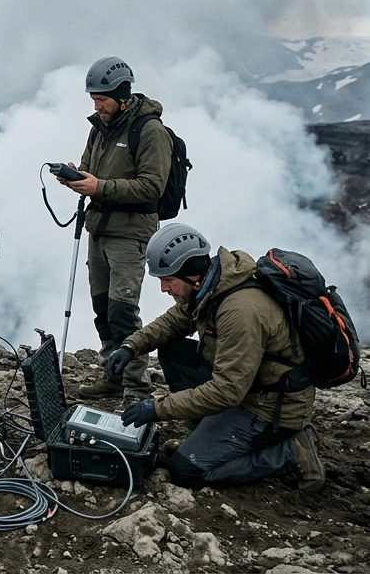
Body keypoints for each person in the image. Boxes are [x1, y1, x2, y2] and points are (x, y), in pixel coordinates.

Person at [103, 223, 323, 492]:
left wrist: (156, 409)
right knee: (174, 350)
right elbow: (173, 322)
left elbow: (227, 391)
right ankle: (209, 437)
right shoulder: (212, 286)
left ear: (191, 275)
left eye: (168, 280)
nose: (163, 288)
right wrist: (130, 346)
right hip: (252, 389)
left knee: (186, 471)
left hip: (271, 405)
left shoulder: (240, 311)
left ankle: (290, 451)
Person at [58, 57, 173, 408]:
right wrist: (77, 176)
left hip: (131, 232)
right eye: (93, 99)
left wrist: (99, 187)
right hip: (100, 227)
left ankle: (136, 388)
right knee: (102, 308)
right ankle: (113, 376)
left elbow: (152, 187)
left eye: (102, 99)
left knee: (123, 310)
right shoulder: (100, 127)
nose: (97, 106)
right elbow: (91, 170)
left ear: (122, 95)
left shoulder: (150, 131)